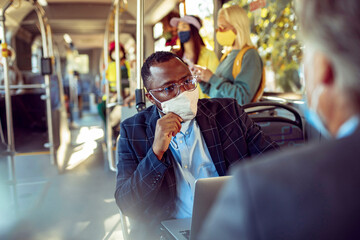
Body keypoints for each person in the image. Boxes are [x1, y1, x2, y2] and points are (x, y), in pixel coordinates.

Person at [199, 0, 360, 239]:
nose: (219, 32)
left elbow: (241, 95)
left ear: (323, 66)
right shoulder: (226, 57)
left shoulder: (256, 190)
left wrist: (212, 79)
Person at [114, 51, 279, 239]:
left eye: (187, 82)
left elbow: (274, 161)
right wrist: (156, 152)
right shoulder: (134, 131)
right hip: (167, 233)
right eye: (169, 88)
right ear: (151, 98)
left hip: (232, 224)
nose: (183, 92)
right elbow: (127, 204)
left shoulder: (228, 113)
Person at [193, 5, 264, 105]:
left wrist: (212, 78)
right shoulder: (227, 55)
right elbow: (215, 93)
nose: (219, 32)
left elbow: (242, 98)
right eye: (218, 28)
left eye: (223, 27)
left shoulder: (250, 55)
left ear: (238, 27)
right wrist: (203, 79)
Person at [170, 15, 219, 98]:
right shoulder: (176, 57)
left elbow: (215, 83)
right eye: (178, 28)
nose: (180, 31)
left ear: (193, 30)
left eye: (184, 27)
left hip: (204, 104)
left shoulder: (209, 55)